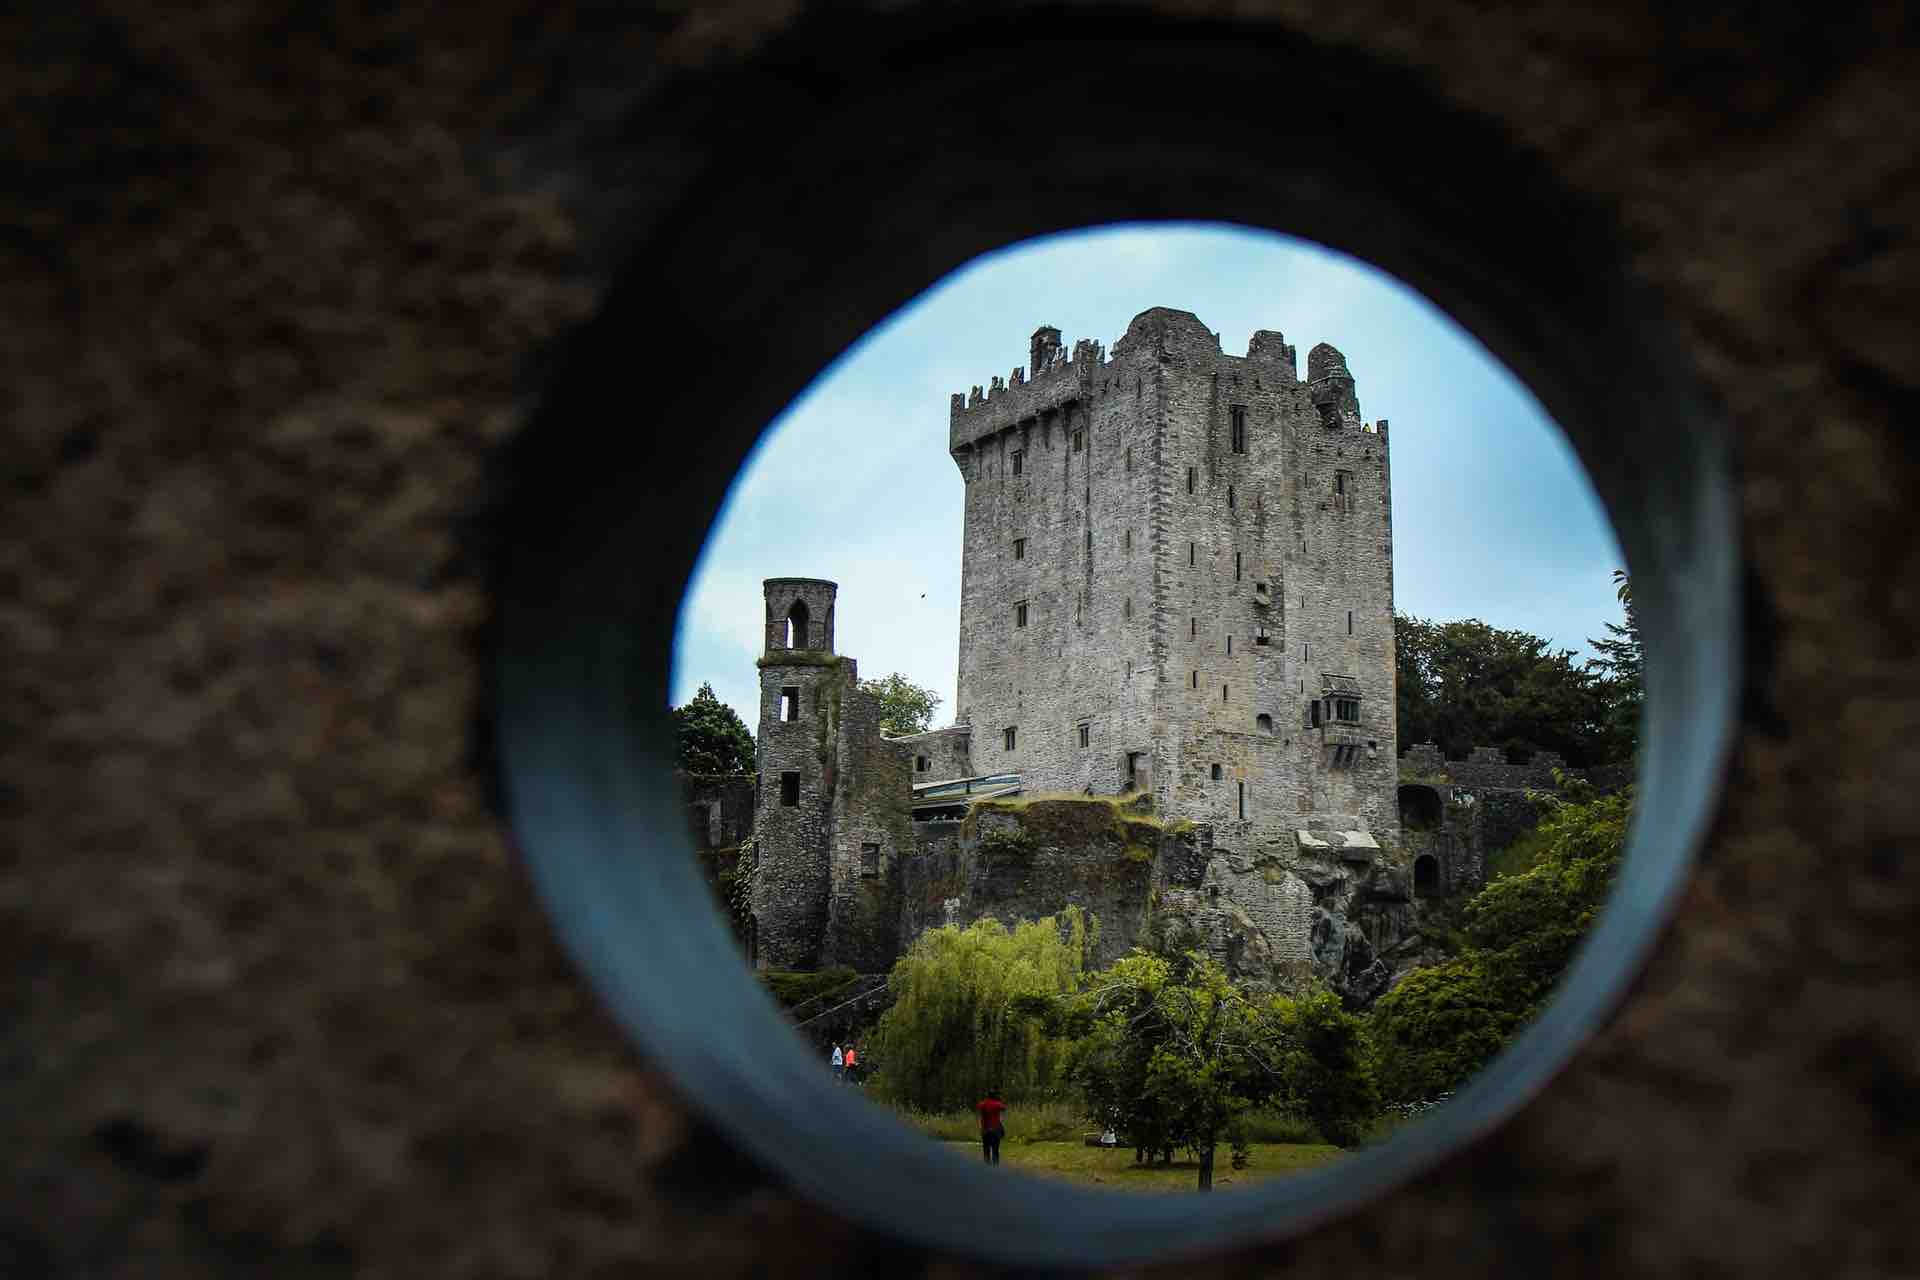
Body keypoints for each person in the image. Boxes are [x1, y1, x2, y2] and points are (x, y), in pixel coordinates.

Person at [976, 1088, 1007, 1164]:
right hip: (995, 1130)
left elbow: (978, 1111)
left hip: (985, 1130)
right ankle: (995, 1170)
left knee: (986, 1151)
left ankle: (987, 1169)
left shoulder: (982, 1104)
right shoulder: (997, 1104)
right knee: (995, 1150)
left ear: (988, 1096)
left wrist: (980, 1126)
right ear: (995, 1096)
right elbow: (1004, 1108)